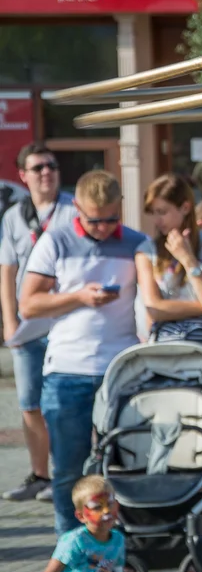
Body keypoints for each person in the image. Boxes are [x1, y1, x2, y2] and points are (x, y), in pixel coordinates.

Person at [20, 170, 146, 535]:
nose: (104, 228)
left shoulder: (137, 242)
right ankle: (70, 547)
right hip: (67, 370)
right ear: (76, 208)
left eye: (111, 219)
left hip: (121, 370)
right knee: (69, 470)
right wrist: (79, 297)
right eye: (94, 220)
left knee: (126, 464)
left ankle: (121, 544)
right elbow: (28, 305)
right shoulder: (55, 241)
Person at [0, 143, 78, 503]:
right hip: (28, 325)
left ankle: (65, 474)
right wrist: (8, 321)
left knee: (62, 403)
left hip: (64, 322)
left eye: (51, 166)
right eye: (38, 167)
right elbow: (7, 270)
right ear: (23, 175)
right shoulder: (14, 215)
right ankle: (38, 474)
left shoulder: (73, 210)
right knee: (29, 403)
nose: (47, 172)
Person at [3, 475, 161, 572]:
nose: (106, 511)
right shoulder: (74, 540)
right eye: (97, 507)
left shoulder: (118, 539)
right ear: (81, 516)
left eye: (110, 504)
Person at [136, 174, 202, 351]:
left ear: (185, 207)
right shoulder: (146, 252)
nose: (157, 221)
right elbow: (155, 309)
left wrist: (188, 260)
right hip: (166, 347)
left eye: (162, 212)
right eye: (153, 213)